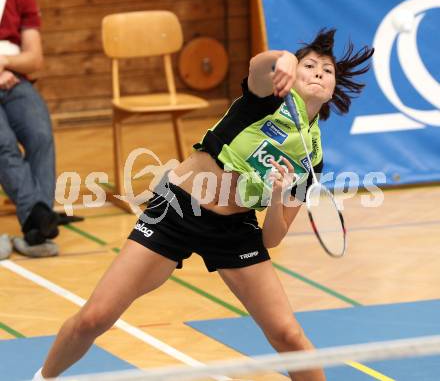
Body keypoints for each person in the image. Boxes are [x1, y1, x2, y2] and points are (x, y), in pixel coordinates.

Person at [32, 29, 374, 381]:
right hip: (178, 209)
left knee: (288, 335)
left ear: (334, 89)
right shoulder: (266, 99)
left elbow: (273, 237)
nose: (318, 72)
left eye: (327, 71)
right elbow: (259, 66)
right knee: (95, 318)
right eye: (309, 65)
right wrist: (283, 58)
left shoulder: (311, 157)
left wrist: (274, 197)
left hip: (233, 229)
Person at [0, 0, 59, 259]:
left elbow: (34, 59)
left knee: (40, 133)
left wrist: (5, 63)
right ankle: (38, 220)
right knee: (3, 143)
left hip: (13, 78)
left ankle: (37, 227)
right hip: (7, 73)